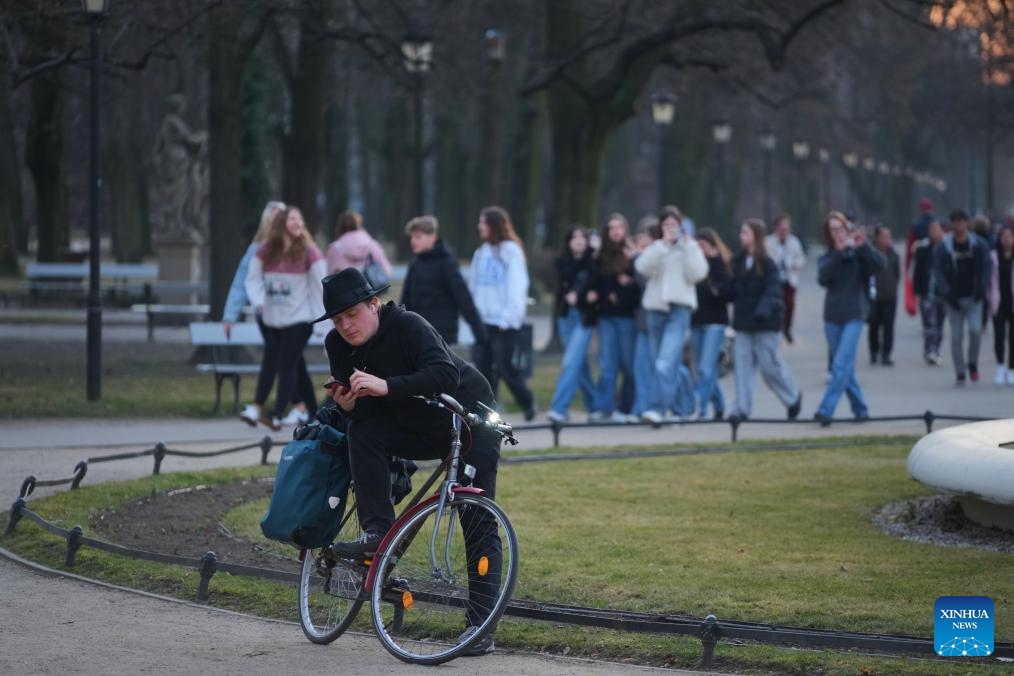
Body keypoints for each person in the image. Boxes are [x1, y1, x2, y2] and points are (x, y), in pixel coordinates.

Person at [317, 267, 502, 655]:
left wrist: (387, 386)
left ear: (374, 304)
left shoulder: (408, 325)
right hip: (413, 423)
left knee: (477, 516)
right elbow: (364, 416)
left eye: (353, 314)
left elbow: (445, 374)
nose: (346, 326)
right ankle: (376, 534)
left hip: (467, 417)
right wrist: (349, 407)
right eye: (338, 319)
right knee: (361, 432)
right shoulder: (337, 346)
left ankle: (480, 627)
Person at [224, 200, 315, 425]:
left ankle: (294, 408)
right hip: (268, 315)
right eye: (277, 218)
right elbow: (242, 282)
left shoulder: (297, 248)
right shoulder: (259, 250)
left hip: (293, 316)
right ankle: (300, 408)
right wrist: (230, 315)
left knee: (287, 361)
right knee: (286, 360)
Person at [240, 206, 327, 430]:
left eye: (300, 218)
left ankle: (276, 414)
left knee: (286, 364)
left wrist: (322, 320)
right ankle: (313, 412)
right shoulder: (265, 250)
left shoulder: (309, 250)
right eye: (292, 219)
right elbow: (252, 278)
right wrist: (258, 300)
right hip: (274, 319)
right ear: (281, 223)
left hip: (301, 319)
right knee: (296, 367)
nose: (298, 222)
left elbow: (321, 284)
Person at [634, 205, 708, 424]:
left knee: (664, 363)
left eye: (674, 225)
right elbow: (642, 267)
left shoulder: (690, 247)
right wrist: (662, 246)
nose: (670, 229)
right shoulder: (658, 247)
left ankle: (657, 409)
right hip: (656, 310)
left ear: (681, 226)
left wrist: (686, 247)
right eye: (666, 225)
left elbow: (697, 274)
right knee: (666, 364)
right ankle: (682, 408)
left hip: (679, 310)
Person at [728, 219, 802, 424]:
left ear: (756, 236)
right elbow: (733, 289)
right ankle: (741, 408)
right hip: (743, 323)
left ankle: (793, 397)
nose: (741, 236)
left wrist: (763, 309)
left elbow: (773, 290)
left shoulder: (768, 263)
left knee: (770, 367)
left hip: (765, 324)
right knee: (742, 367)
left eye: (745, 232)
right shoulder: (738, 261)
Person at [813, 212, 885, 426]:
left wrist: (864, 247)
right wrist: (838, 253)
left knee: (840, 364)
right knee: (844, 368)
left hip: (854, 314)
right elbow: (823, 278)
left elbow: (879, 265)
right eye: (833, 230)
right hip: (832, 317)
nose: (838, 233)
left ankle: (826, 410)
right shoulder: (827, 256)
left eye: (840, 228)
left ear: (847, 229)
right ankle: (860, 409)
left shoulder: (859, 252)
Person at [469, 206, 536, 421]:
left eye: (483, 222)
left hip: (504, 323)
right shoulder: (480, 252)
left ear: (494, 225)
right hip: (483, 321)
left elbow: (517, 285)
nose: (479, 226)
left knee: (506, 368)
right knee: (483, 369)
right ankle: (489, 412)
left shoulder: (510, 250)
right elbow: (474, 285)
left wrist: (509, 317)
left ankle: (527, 402)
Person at [400, 215, 486, 346]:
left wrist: (480, 333)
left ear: (432, 237)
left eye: (418, 237)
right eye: (412, 237)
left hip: (443, 335)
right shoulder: (414, 264)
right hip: (417, 331)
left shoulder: (447, 263)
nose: (413, 241)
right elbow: (406, 300)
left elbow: (463, 298)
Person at [931, 209, 992, 386]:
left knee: (975, 331)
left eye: (961, 221)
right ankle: (960, 371)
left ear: (967, 223)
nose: (958, 225)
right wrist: (947, 292)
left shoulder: (978, 244)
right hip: (953, 300)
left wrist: (982, 287)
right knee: (956, 337)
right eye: (955, 222)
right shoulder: (944, 246)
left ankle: (972, 363)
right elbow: (938, 271)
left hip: (974, 298)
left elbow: (986, 267)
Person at [588, 213, 640, 423]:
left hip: (627, 318)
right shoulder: (601, 257)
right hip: (608, 317)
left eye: (620, 227)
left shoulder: (632, 254)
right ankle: (604, 408)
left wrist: (624, 288)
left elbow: (637, 285)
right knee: (607, 364)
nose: (616, 231)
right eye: (612, 228)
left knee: (628, 365)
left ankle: (626, 407)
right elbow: (598, 283)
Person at [546, 226, 597, 423]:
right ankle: (595, 406)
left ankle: (559, 408)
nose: (578, 240)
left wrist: (582, 295)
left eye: (582, 237)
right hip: (565, 316)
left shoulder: (593, 261)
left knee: (570, 362)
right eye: (574, 237)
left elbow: (594, 281)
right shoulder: (562, 261)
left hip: (584, 318)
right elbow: (567, 278)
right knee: (580, 364)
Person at [690, 227, 732, 421]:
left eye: (704, 246)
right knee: (702, 369)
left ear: (713, 247)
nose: (700, 249)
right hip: (697, 321)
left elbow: (728, 290)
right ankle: (720, 404)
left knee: (706, 367)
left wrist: (714, 261)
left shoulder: (720, 264)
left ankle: (701, 408)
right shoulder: (693, 265)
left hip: (715, 322)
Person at [765, 213, 806, 343]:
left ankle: (787, 328)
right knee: (775, 304)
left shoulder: (794, 242)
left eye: (786, 229)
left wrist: (795, 265)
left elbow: (801, 258)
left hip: (789, 278)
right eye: (782, 228)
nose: (784, 231)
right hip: (774, 278)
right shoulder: (769, 241)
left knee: (789, 304)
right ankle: (776, 327)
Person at [911, 220, 946, 365]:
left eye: (937, 230)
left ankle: (936, 349)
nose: (934, 233)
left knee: (939, 324)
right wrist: (916, 293)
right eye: (932, 230)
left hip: (943, 292)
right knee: (929, 324)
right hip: (927, 292)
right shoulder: (923, 250)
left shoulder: (946, 249)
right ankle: (929, 350)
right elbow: (917, 272)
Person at [867, 225, 901, 366]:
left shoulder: (894, 255)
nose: (886, 240)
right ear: (877, 238)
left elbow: (897, 274)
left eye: (888, 237)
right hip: (874, 296)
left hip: (890, 296)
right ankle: (874, 351)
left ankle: (886, 354)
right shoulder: (870, 253)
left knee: (888, 326)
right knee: (874, 325)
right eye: (883, 237)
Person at [326, 210, 393, 277]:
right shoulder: (373, 245)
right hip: (371, 286)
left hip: (344, 286)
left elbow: (330, 275)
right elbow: (386, 270)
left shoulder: (335, 248)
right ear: (359, 225)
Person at [987, 224, 1014, 386]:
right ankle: (1000, 367)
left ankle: (1011, 369)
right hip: (998, 302)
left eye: (1010, 236)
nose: (1007, 239)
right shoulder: (992, 256)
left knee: (1013, 338)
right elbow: (987, 281)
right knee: (999, 337)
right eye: (1004, 236)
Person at [904, 197, 936, 316]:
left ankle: (926, 317)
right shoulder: (939, 224)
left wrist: (907, 266)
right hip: (936, 260)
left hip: (920, 261)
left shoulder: (915, 226)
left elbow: (909, 248)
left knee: (922, 288)